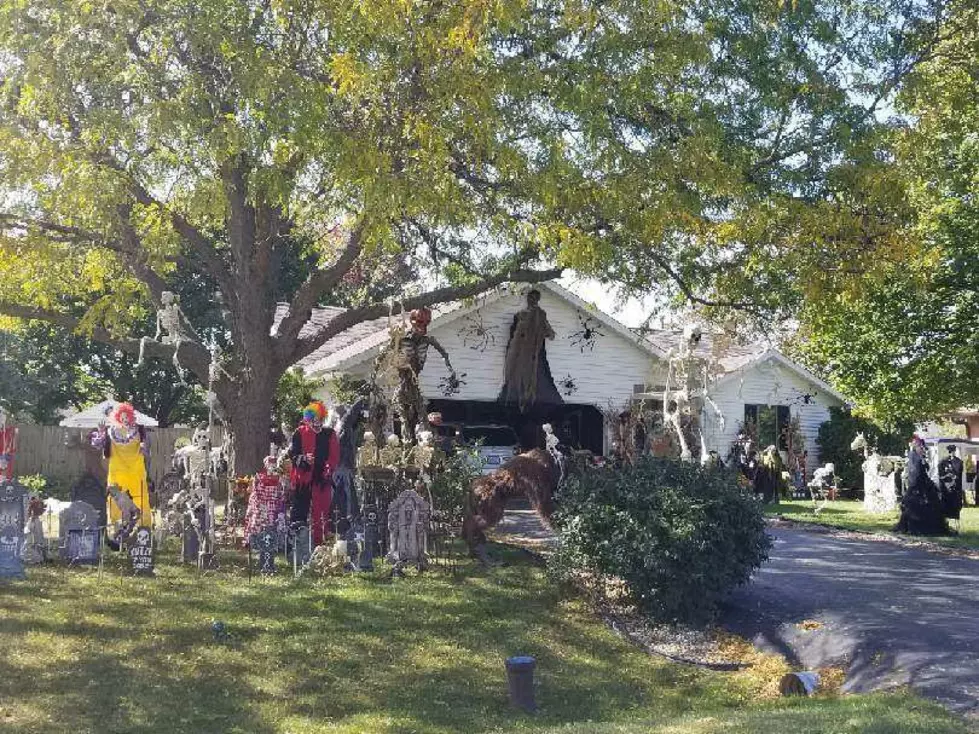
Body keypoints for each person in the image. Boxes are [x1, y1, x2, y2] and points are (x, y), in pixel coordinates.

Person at [498, 289, 562, 412]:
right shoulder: (520, 315)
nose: (531, 301)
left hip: (533, 356)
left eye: (534, 298)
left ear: (537, 300)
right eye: (530, 298)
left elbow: (551, 334)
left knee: (531, 380)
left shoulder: (540, 315)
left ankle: (526, 404)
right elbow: (513, 337)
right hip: (520, 355)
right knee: (518, 380)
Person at [289, 401, 340, 546]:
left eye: (320, 420)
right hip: (303, 479)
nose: (316, 423)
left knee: (322, 512)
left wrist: (328, 469)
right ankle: (297, 542)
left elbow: (334, 456)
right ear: (308, 420)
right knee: (300, 510)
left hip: (322, 479)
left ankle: (320, 543)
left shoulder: (330, 434)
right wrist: (303, 459)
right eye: (313, 420)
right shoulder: (299, 433)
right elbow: (293, 455)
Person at [99, 402, 151, 531]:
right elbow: (100, 445)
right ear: (117, 417)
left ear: (130, 416)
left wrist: (144, 447)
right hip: (117, 472)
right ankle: (117, 530)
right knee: (116, 500)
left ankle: (144, 529)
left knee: (141, 498)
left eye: (126, 416)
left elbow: (145, 447)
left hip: (136, 471)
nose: (124, 419)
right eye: (121, 417)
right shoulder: (110, 431)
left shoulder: (139, 430)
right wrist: (101, 433)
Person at [895, 436, 949, 536]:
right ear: (917, 447)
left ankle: (929, 526)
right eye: (921, 447)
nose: (922, 450)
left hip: (923, 484)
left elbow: (924, 470)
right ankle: (915, 527)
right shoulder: (913, 456)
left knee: (931, 503)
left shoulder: (920, 456)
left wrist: (924, 463)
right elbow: (915, 472)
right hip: (916, 486)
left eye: (922, 448)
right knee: (915, 505)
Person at [938, 445, 965, 526]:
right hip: (945, 489)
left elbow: (958, 476)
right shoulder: (943, 462)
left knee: (955, 507)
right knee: (945, 506)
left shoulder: (959, 462)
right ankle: (945, 524)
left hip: (955, 489)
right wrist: (946, 477)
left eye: (953, 451)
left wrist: (952, 478)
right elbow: (941, 475)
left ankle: (957, 525)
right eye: (950, 451)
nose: (951, 452)